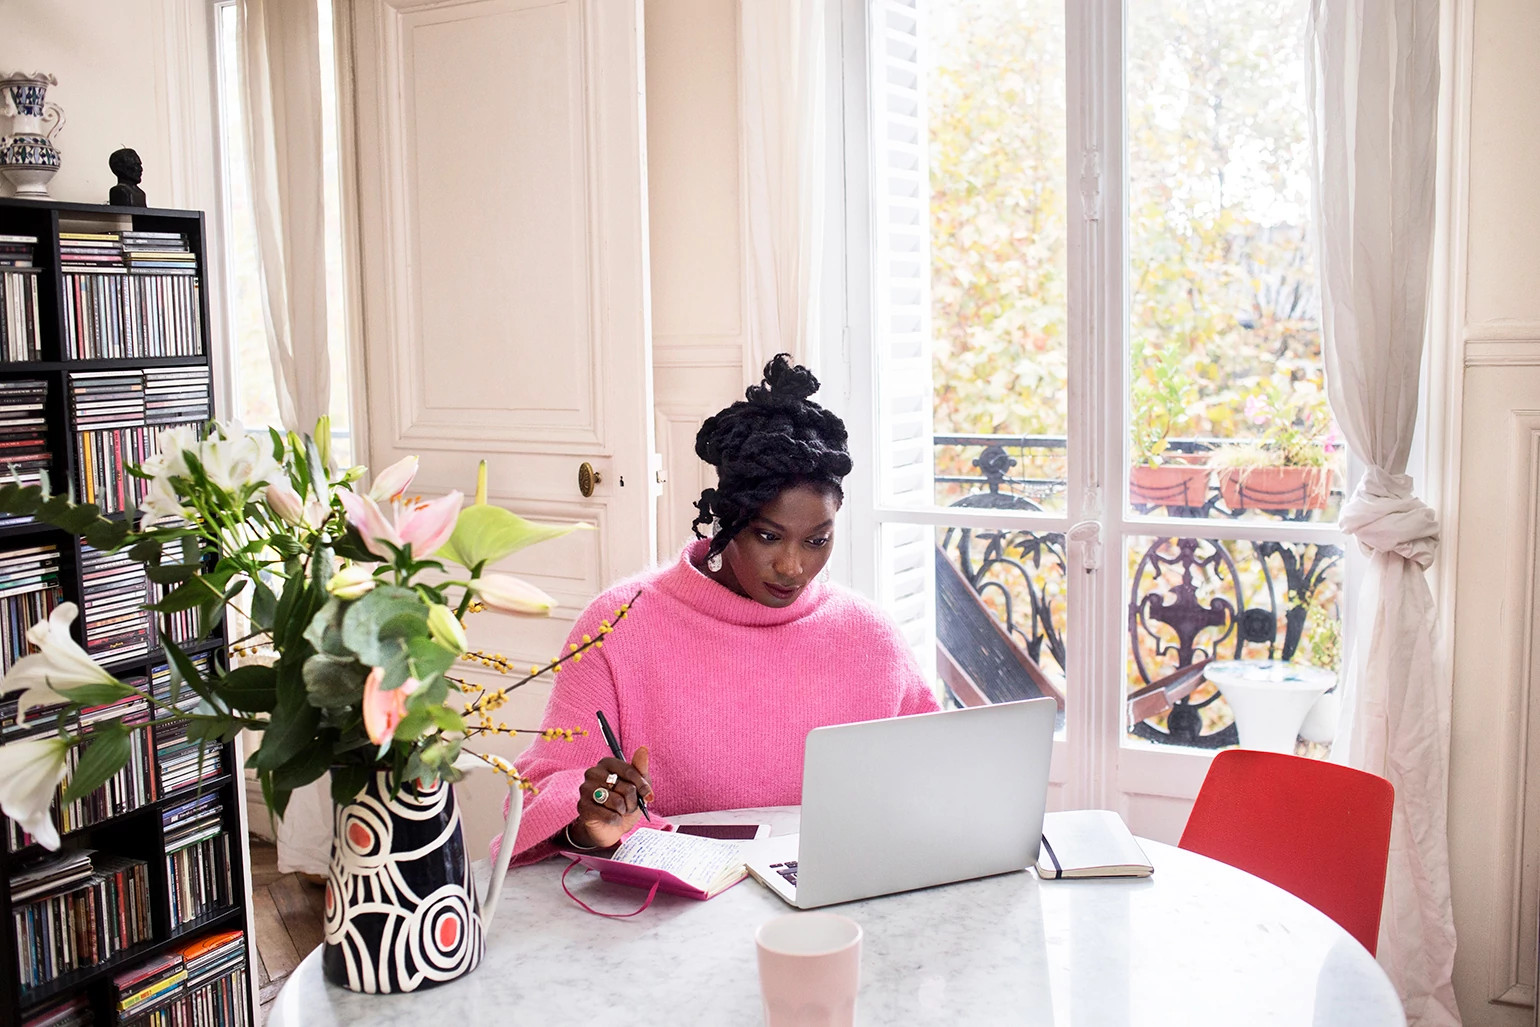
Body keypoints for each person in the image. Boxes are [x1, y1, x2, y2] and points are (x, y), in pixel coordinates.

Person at [491, 355, 939, 866]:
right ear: (726, 521)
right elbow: (541, 792)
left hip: (835, 890)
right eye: (768, 536)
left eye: (817, 540)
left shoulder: (869, 636)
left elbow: (938, 773)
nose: (792, 566)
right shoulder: (619, 623)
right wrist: (588, 819)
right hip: (669, 901)